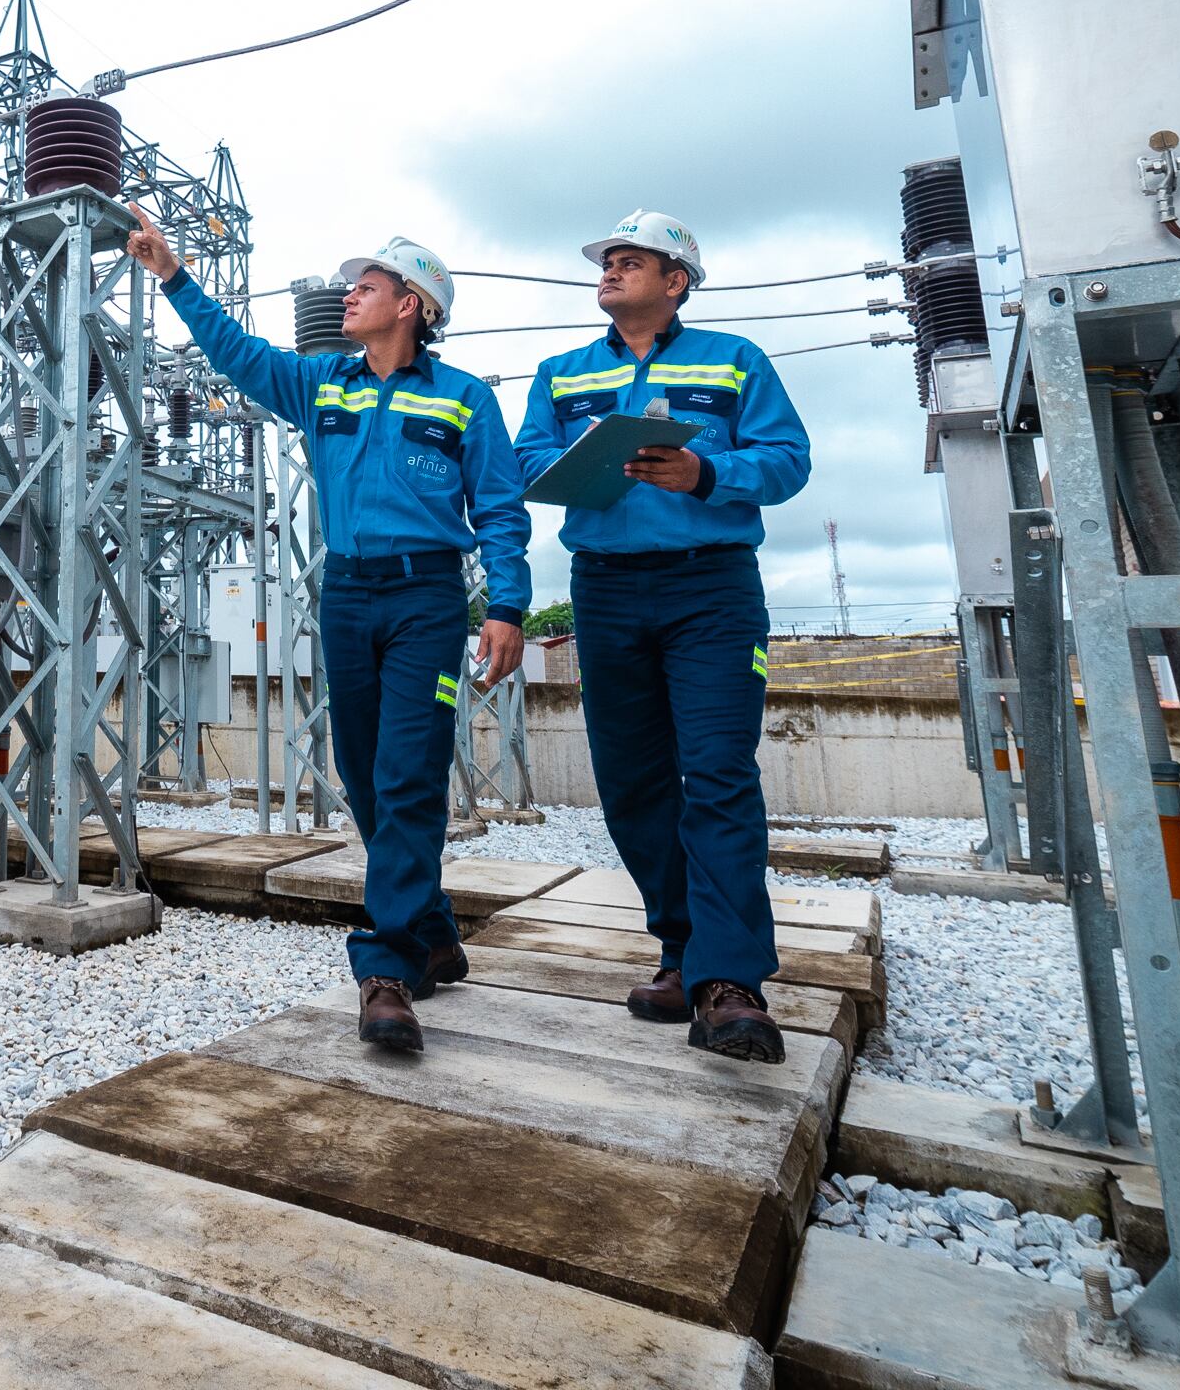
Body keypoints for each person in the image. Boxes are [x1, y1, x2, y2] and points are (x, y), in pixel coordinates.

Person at [125, 209, 530, 1054]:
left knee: (409, 771)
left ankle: (384, 969)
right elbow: (240, 356)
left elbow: (498, 509)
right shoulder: (324, 385)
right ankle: (433, 927)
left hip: (426, 598)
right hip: (347, 596)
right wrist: (175, 278)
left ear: (411, 305)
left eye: (368, 285)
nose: (350, 294)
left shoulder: (464, 399)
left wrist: (507, 607)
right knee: (366, 776)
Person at [513, 210, 811, 1065]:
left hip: (711, 587)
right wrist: (580, 469)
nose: (608, 271)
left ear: (676, 280)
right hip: (604, 591)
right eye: (607, 260)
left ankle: (731, 985)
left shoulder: (735, 360)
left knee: (717, 773)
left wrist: (706, 471)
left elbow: (788, 459)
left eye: (629, 260)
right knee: (634, 782)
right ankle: (682, 952)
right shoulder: (561, 374)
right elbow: (527, 459)